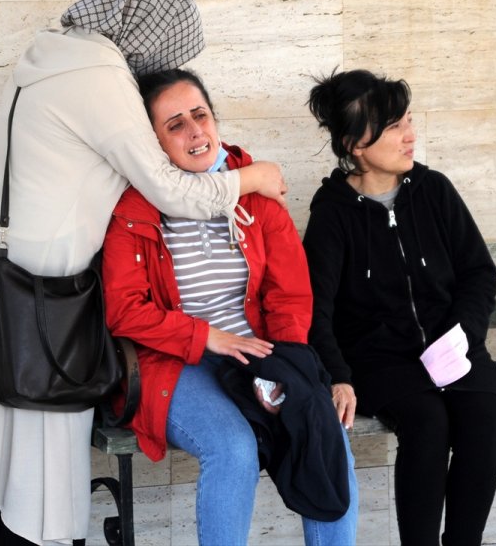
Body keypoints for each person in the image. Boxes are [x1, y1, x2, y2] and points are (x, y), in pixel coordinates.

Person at [0, 0, 287, 546]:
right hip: (40, 270)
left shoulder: (54, 51)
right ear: (149, 23)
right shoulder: (100, 72)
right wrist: (252, 177)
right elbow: (169, 190)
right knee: (36, 433)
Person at [102, 68, 358, 546]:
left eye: (199, 115)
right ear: (152, 143)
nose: (194, 130)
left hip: (257, 353)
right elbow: (124, 310)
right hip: (173, 362)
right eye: (174, 124)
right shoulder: (134, 210)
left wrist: (283, 366)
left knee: (325, 432)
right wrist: (206, 337)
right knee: (233, 447)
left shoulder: (255, 195)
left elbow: (289, 294)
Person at [302, 69, 496, 546]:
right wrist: (338, 374)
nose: (409, 135)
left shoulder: (433, 190)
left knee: (483, 417)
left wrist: (463, 336)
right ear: (355, 143)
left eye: (408, 121)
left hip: (454, 347)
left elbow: (479, 272)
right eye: (395, 126)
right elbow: (316, 306)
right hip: (381, 361)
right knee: (428, 424)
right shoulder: (333, 211)